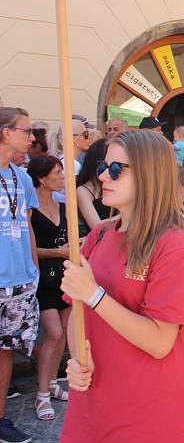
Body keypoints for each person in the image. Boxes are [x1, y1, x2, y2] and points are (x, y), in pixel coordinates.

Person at [59, 130, 184, 441]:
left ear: (150, 174)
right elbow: (76, 312)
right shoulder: (99, 235)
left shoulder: (174, 247)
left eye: (115, 169)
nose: (103, 176)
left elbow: (160, 341)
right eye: (102, 167)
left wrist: (95, 294)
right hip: (91, 402)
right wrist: (77, 358)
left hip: (145, 408)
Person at [0, 108, 39, 443]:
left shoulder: (23, 178)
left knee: (6, 351)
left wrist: (33, 268)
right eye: (26, 131)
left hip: (18, 281)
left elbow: (26, 224)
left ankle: (0, 418)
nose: (31, 138)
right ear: (5, 132)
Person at [27, 156, 71, 421]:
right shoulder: (31, 209)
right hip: (42, 280)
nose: (62, 176)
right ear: (42, 178)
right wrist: (57, 251)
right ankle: (42, 394)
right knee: (53, 334)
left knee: (63, 333)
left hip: (63, 277)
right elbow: (30, 248)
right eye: (57, 172)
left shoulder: (63, 206)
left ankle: (52, 383)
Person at [76, 139, 111, 236]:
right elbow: (96, 226)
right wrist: (124, 217)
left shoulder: (115, 184)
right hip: (101, 241)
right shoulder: (83, 191)